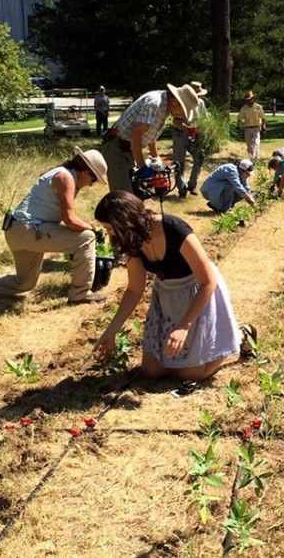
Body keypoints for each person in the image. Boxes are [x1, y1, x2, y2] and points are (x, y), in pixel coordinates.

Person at [92, 191, 251, 381]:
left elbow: (207, 281)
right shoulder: (130, 240)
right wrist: (111, 332)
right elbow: (135, 289)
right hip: (167, 296)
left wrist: (184, 327)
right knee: (152, 371)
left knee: (190, 375)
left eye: (110, 228)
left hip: (198, 291)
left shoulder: (174, 229)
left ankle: (240, 336)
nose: (110, 234)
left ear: (123, 222)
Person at [0, 148, 108, 305]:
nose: (92, 185)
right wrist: (91, 228)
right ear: (86, 171)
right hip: (30, 229)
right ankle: (80, 294)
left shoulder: (62, 173)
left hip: (16, 230)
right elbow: (70, 220)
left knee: (25, 283)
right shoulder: (65, 177)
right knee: (86, 238)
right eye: (93, 180)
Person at [100, 84, 200, 192]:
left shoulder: (164, 106)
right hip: (116, 149)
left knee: (137, 194)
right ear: (176, 101)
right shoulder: (154, 103)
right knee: (124, 197)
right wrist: (142, 166)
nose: (181, 115)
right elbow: (135, 136)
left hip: (126, 150)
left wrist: (156, 158)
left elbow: (151, 134)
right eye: (183, 111)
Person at [173, 80, 208, 198]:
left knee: (199, 158)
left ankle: (192, 185)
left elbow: (204, 119)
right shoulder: (181, 103)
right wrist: (188, 129)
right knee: (179, 162)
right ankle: (181, 189)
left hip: (195, 136)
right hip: (180, 134)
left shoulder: (201, 103)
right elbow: (176, 122)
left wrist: (203, 130)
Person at [236, 91, 265, 160]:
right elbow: (239, 118)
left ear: (253, 98)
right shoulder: (244, 108)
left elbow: (263, 118)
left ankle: (256, 159)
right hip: (247, 128)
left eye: (250, 99)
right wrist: (238, 126)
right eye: (247, 99)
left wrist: (263, 127)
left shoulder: (258, 107)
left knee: (256, 143)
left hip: (256, 128)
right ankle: (252, 159)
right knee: (249, 146)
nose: (249, 100)